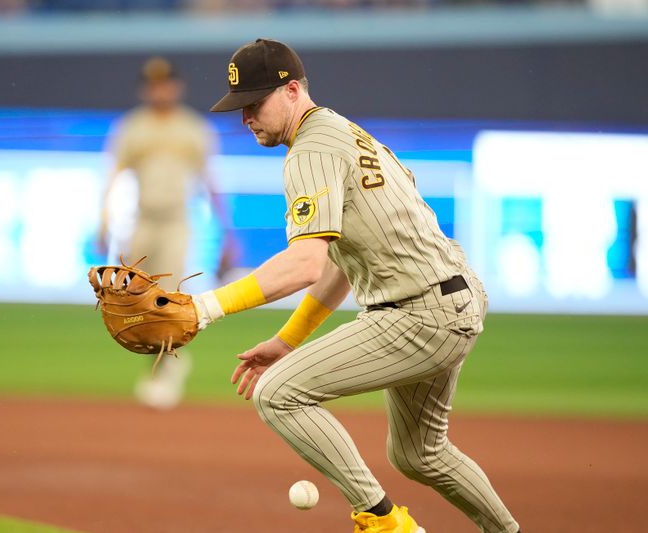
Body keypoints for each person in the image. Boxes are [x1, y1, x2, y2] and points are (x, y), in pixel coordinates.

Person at [192, 39, 521, 533]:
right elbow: (339, 266)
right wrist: (288, 339)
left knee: (278, 394)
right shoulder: (343, 132)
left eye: (254, 104)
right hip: (449, 300)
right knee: (419, 455)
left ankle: (387, 523)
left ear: (292, 90)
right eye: (240, 108)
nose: (246, 118)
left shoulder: (311, 150)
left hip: (418, 313)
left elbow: (304, 264)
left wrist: (203, 308)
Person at [99, 56, 230, 410]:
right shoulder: (132, 127)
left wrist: (227, 232)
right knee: (134, 298)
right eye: (153, 84)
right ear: (146, 89)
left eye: (165, 83)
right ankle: (157, 367)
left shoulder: (192, 128)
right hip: (142, 220)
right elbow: (114, 175)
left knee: (167, 299)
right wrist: (104, 221)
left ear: (176, 86)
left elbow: (210, 181)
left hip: (175, 221)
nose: (160, 90)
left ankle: (168, 369)